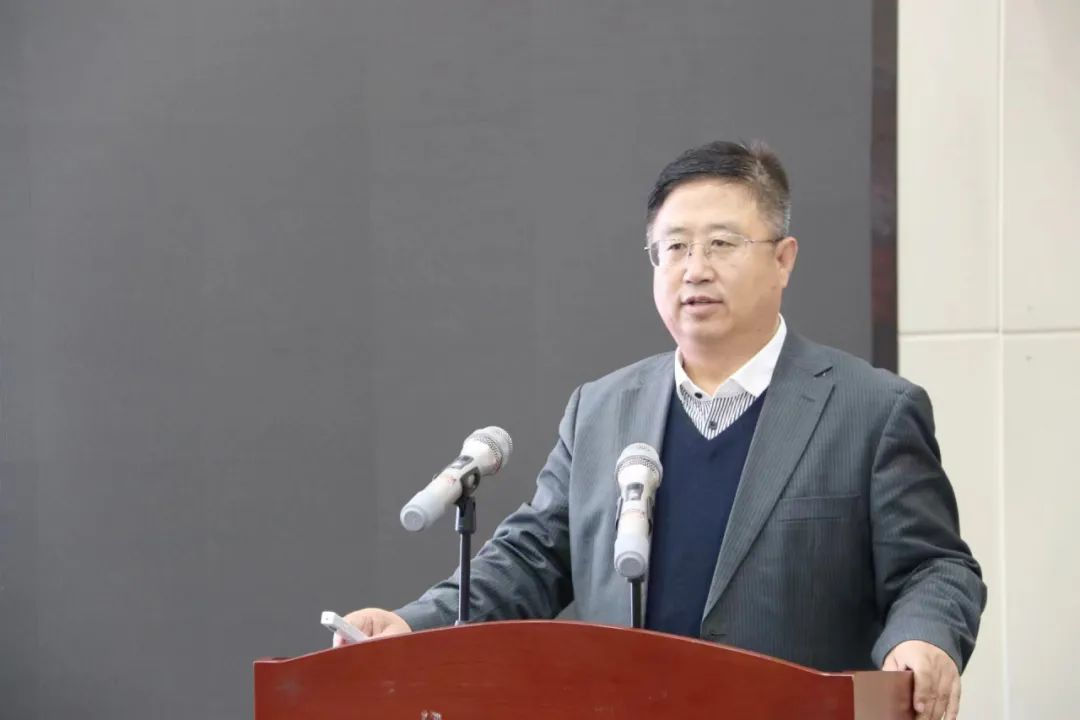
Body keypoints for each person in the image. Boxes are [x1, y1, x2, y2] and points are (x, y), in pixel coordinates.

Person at [340, 141, 986, 720]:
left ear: (783, 260)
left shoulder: (871, 409)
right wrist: (411, 625)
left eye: (722, 244)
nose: (695, 268)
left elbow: (934, 567)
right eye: (674, 247)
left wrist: (924, 637)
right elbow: (531, 558)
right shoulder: (600, 410)